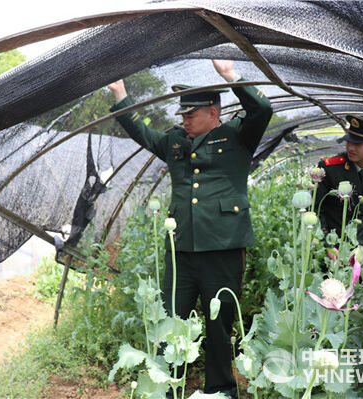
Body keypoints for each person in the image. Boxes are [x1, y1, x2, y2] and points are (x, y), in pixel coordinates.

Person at [107, 60, 272, 398]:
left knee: (218, 325)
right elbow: (144, 133)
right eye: (182, 115)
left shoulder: (238, 137)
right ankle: (168, 386)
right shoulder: (176, 143)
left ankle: (220, 390)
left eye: (190, 115)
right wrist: (121, 95)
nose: (183, 120)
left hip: (223, 248)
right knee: (172, 321)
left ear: (214, 112)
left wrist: (230, 76)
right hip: (181, 249)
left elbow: (263, 108)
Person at [315, 114, 363, 255]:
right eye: (349, 141)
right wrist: (326, 243)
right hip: (335, 246)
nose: (350, 147)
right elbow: (315, 209)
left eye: (358, 143)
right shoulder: (330, 168)